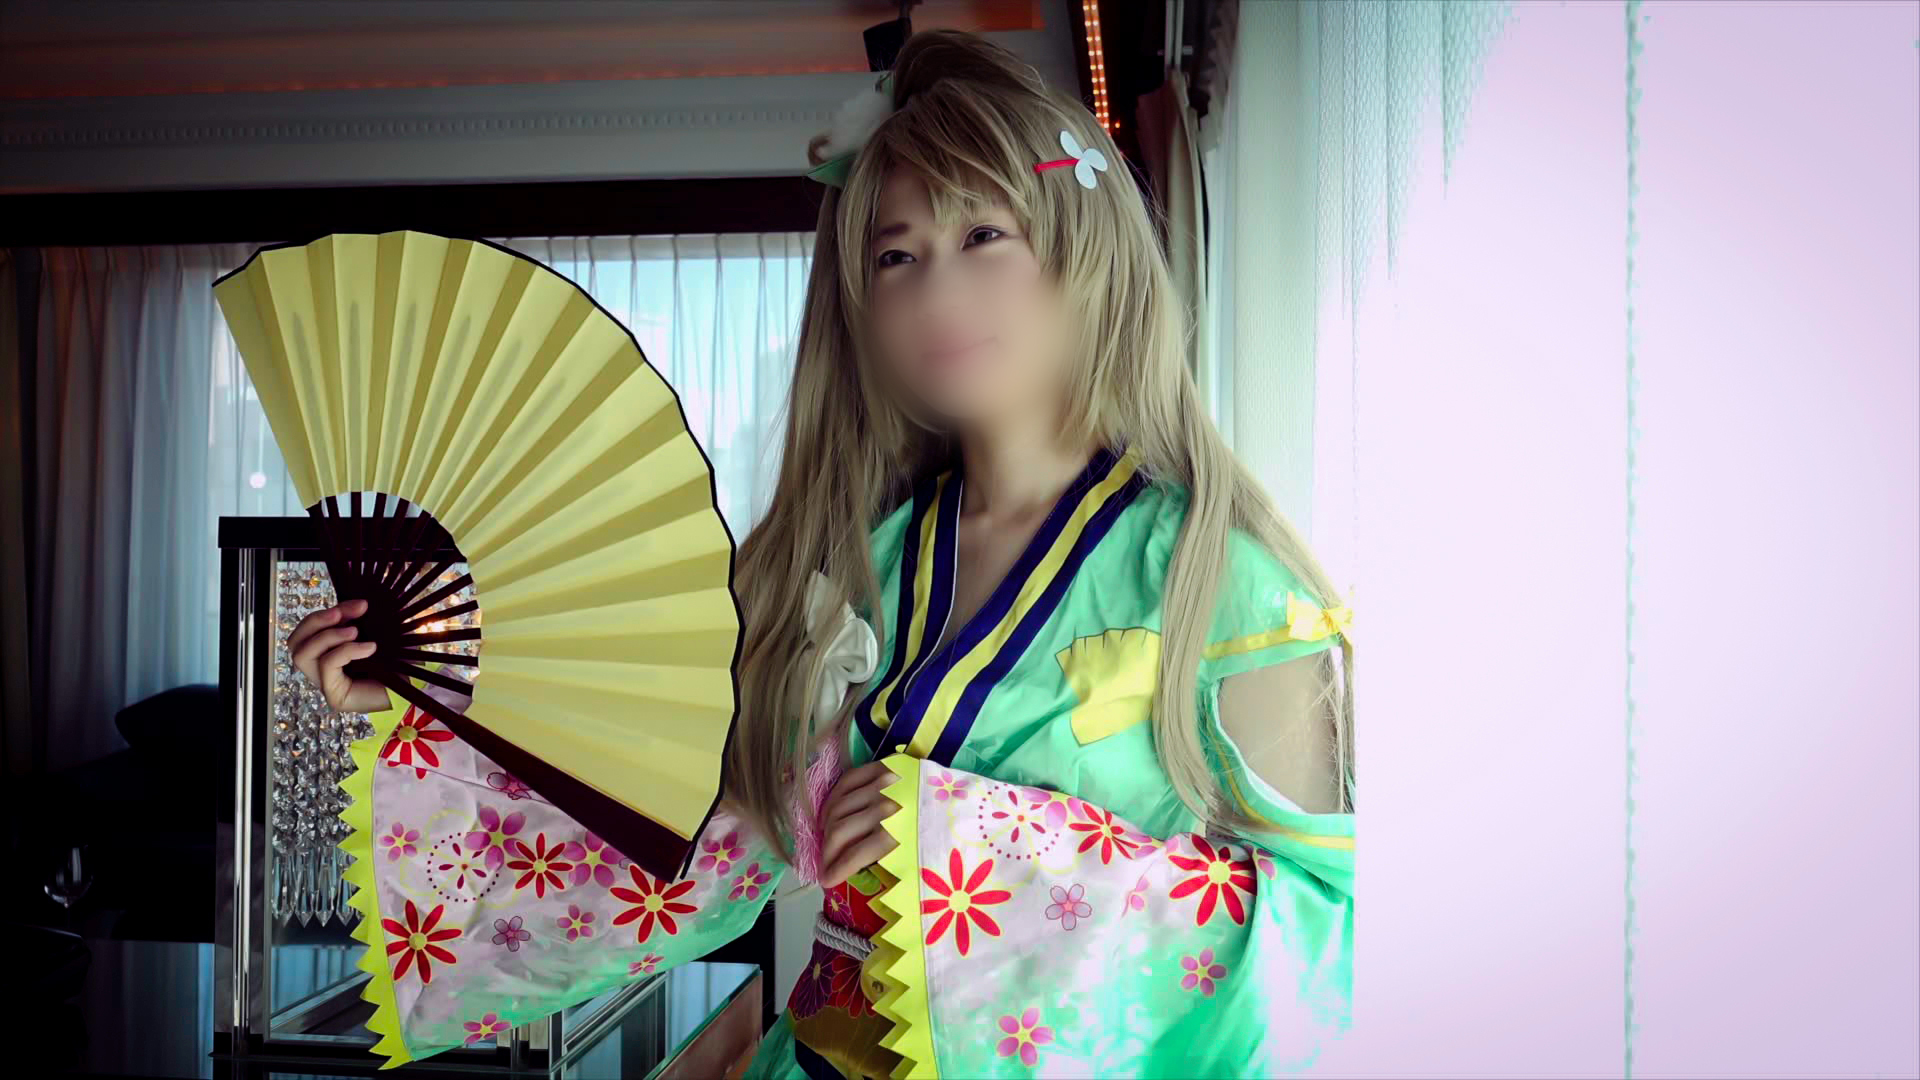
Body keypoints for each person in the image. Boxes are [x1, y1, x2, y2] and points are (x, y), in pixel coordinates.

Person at [288, 29, 1354, 1079]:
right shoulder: (859, 560)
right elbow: (685, 791)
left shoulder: (1225, 580)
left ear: (1089, 251)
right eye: (896, 255)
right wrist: (437, 690)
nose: (935, 292)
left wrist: (970, 848)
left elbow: (1330, 939)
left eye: (983, 235)